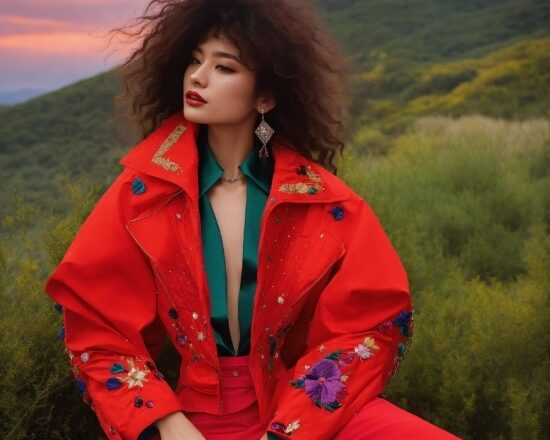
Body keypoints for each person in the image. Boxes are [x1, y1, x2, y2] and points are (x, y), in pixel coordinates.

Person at [44, 1, 460, 439]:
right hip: (188, 421)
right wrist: (164, 424)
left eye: (224, 68)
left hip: (302, 411)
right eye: (194, 59)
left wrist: (291, 428)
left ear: (265, 96)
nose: (198, 77)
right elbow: (95, 324)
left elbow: (370, 326)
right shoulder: (142, 195)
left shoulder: (325, 204)